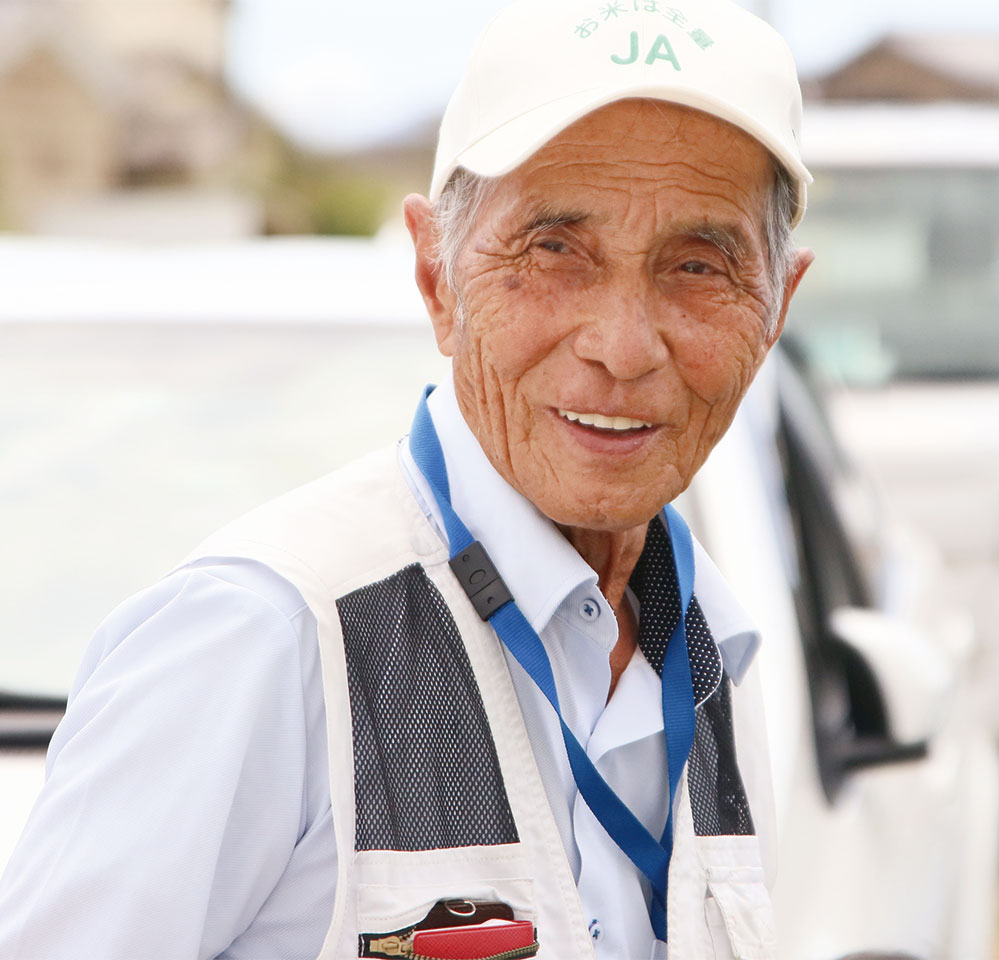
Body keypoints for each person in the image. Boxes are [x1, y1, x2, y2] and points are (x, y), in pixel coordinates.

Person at [0, 0, 813, 957]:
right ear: (436, 275)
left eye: (697, 265)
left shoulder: (712, 647)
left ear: (777, 307)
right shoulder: (269, 638)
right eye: (556, 250)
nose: (623, 347)